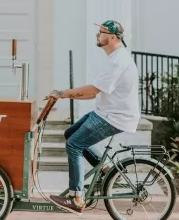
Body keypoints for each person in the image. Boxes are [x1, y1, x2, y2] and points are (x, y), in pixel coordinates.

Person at [45, 20, 140, 213]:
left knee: (74, 144)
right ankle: (107, 169)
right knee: (70, 133)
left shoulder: (118, 62)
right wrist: (66, 93)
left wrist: (64, 93)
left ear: (113, 37)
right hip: (105, 112)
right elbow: (94, 92)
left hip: (115, 116)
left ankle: (76, 198)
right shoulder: (116, 58)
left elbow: (92, 91)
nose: (97, 35)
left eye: (101, 32)